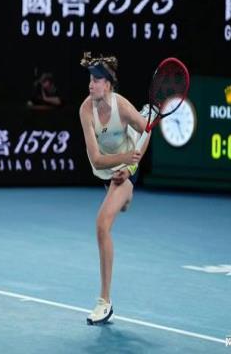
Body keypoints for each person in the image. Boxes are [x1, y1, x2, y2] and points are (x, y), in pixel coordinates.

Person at [78, 52, 149, 325]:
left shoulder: (122, 107)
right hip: (109, 169)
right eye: (90, 79)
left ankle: (104, 302)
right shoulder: (86, 110)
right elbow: (96, 159)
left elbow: (146, 131)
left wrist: (130, 167)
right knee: (123, 203)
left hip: (126, 172)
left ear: (107, 84)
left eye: (96, 80)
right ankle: (125, 196)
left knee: (102, 225)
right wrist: (124, 158)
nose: (91, 85)